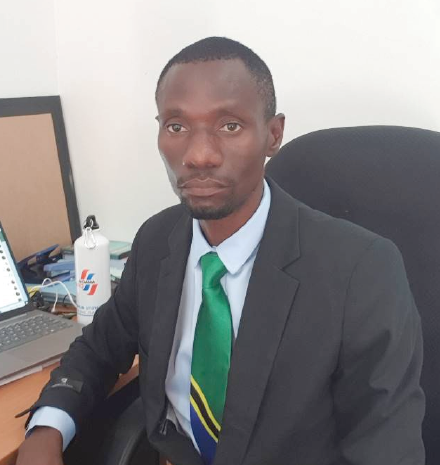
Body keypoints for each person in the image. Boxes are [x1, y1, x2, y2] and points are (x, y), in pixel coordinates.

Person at [17, 37, 425, 465]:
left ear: (273, 134)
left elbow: (387, 448)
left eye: (229, 126)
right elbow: (98, 349)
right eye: (176, 126)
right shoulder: (157, 240)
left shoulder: (362, 272)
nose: (199, 155)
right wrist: (46, 429)